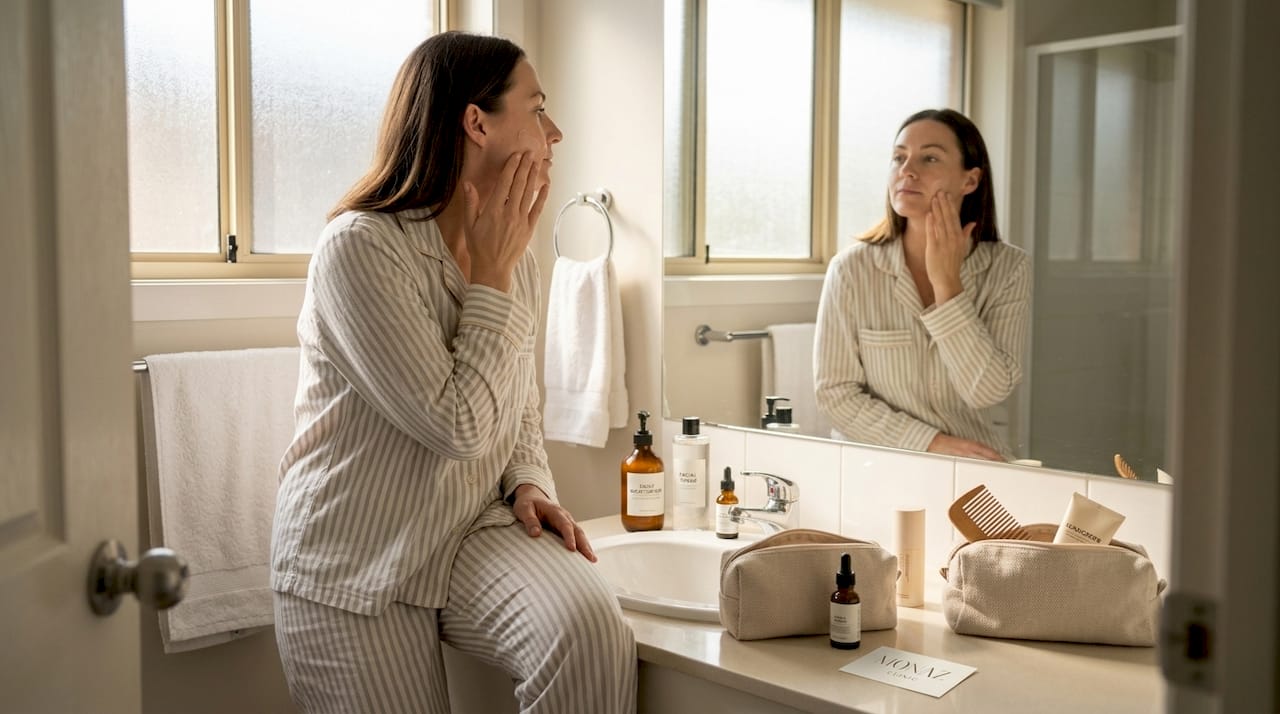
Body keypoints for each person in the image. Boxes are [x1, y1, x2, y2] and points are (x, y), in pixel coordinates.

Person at [270, 31, 636, 713]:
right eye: (537, 108)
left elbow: (518, 400)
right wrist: (493, 277)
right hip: (356, 558)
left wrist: (528, 478)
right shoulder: (359, 249)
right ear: (477, 122)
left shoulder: (514, 253)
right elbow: (458, 423)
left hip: (468, 527)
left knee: (589, 632)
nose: (554, 132)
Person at [814, 108, 1030, 462]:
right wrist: (933, 443)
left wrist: (948, 287)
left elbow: (987, 391)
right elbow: (835, 394)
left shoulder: (1008, 268)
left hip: (975, 465)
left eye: (929, 158)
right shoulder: (851, 270)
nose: (907, 170)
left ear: (970, 181)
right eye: (899, 157)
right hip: (875, 464)